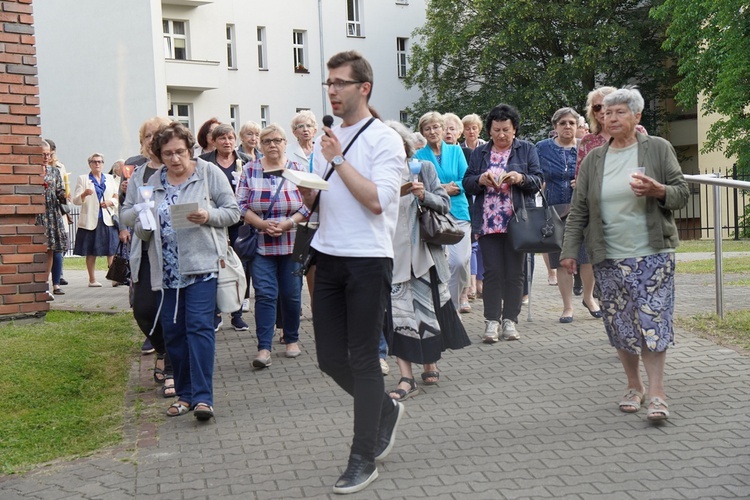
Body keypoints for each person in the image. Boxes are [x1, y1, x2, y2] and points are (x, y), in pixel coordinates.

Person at [302, 50, 405, 494]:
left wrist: (338, 159)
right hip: (327, 254)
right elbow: (320, 200)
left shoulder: (384, 139)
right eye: (328, 83)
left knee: (363, 359)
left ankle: (363, 457)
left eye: (340, 82)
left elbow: (377, 200)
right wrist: (303, 187)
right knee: (328, 359)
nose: (332, 90)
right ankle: (384, 408)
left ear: (363, 87)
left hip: (368, 258)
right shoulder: (329, 139)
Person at [560, 87, 689, 422]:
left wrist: (658, 190)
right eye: (606, 112)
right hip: (608, 255)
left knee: (653, 320)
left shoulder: (658, 149)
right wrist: (570, 251)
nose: (611, 117)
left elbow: (682, 192)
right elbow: (578, 212)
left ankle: (658, 392)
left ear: (637, 117)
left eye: (619, 112)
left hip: (652, 253)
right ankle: (634, 385)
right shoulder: (593, 159)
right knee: (620, 324)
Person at [134, 121, 240, 421]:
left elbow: (233, 211)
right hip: (167, 272)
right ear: (159, 153)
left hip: (203, 267)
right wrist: (143, 223)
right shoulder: (153, 182)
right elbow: (143, 230)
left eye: (180, 152)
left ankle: (204, 398)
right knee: (174, 335)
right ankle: (184, 394)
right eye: (167, 153)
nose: (175, 159)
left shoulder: (208, 173)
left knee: (199, 329)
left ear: (190, 149)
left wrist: (208, 215)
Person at [384, 120, 469, 401]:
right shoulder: (376, 176)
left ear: (406, 146)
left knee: (427, 312)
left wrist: (425, 195)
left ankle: (430, 362)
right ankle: (406, 377)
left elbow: (445, 204)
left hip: (423, 254)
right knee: (398, 317)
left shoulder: (424, 168)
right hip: (390, 257)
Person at [462, 104, 543, 343]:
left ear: (515, 129)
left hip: (517, 221)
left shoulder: (526, 150)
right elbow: (467, 182)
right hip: (487, 221)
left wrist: (521, 178)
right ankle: (491, 321)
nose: (501, 134)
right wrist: (480, 179)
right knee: (492, 272)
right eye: (496, 130)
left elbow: (538, 180)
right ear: (489, 131)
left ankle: (510, 320)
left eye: (506, 129)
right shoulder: (480, 153)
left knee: (515, 273)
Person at [236, 124, 310, 366]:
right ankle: (264, 348)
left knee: (291, 293)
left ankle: (291, 339)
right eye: (267, 141)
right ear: (260, 145)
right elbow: (241, 204)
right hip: (260, 241)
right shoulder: (250, 169)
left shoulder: (298, 169)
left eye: (277, 140)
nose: (272, 145)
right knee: (266, 294)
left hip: (293, 239)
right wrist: (262, 223)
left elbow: (309, 204)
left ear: (285, 143)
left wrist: (288, 223)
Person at [120, 115, 176, 397]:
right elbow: (125, 212)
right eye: (148, 136)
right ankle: (163, 350)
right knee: (143, 310)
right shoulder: (139, 175)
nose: (153, 140)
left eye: (159, 134)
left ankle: (171, 366)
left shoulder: (178, 167)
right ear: (142, 142)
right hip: (144, 252)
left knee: (172, 312)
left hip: (174, 253)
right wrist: (142, 214)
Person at [536, 107, 602, 323]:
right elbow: (534, 173)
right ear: (555, 127)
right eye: (563, 123)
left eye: (571, 123)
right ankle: (567, 307)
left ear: (578, 126)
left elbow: (598, 174)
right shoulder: (542, 148)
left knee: (587, 257)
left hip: (582, 208)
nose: (567, 127)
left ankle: (589, 298)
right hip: (555, 208)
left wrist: (584, 182)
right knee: (562, 258)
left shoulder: (585, 147)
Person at [415, 112, 473, 313]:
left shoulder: (456, 152)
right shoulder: (418, 156)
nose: (432, 132)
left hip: (458, 210)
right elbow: (419, 185)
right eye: (427, 128)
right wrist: (442, 189)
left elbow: (466, 179)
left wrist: (447, 187)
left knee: (459, 260)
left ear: (443, 128)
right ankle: (449, 311)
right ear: (422, 132)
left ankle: (458, 298)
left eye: (436, 127)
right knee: (443, 264)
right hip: (434, 215)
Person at [200, 124, 252, 332]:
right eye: (222, 138)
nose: (227, 142)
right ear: (214, 141)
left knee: (238, 265)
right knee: (215, 264)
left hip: (238, 220)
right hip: (214, 219)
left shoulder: (245, 161)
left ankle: (237, 313)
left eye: (231, 138)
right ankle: (215, 314)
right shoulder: (204, 162)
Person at [72, 152, 119, 287]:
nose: (97, 164)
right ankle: (92, 279)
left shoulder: (110, 179)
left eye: (99, 161)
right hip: (91, 221)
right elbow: (75, 200)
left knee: (112, 250)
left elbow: (117, 197)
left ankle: (114, 278)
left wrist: (111, 202)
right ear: (90, 164)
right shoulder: (83, 179)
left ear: (103, 164)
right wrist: (84, 194)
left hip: (107, 219)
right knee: (91, 251)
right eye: (94, 161)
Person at [287, 110, 319, 303]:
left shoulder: (322, 151)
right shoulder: (288, 152)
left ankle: (316, 303)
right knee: (298, 260)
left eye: (308, 126)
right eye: (301, 126)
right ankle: (294, 303)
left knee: (315, 262)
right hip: (297, 211)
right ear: (294, 132)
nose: (305, 130)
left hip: (319, 211)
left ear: (315, 130)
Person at [37, 140, 69, 300]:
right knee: (39, 249)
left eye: (48, 154)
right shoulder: (31, 171)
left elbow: (59, 190)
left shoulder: (54, 171)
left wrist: (64, 195)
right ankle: (38, 283)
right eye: (43, 154)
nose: (46, 157)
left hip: (51, 214)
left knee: (51, 248)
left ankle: (46, 284)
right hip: (37, 214)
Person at [460, 113, 486, 301]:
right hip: (468, 196)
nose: (471, 131)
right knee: (473, 242)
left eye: (474, 127)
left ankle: (481, 280)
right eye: (467, 128)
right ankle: (472, 282)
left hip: (483, 195)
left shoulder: (486, 148)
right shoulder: (459, 150)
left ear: (479, 129)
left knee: (482, 241)